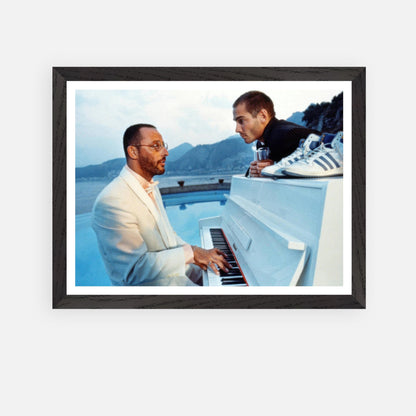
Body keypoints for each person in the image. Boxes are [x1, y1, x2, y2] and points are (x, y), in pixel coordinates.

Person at [92, 123, 231, 286]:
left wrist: (199, 261)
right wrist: (192, 253)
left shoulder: (151, 187)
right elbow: (134, 270)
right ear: (133, 152)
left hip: (176, 278)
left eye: (163, 146)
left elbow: (168, 238)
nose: (166, 152)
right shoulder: (112, 201)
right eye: (156, 146)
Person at [232, 91, 321, 177]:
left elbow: (330, 148)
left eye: (241, 121)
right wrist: (255, 170)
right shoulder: (262, 141)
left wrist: (276, 167)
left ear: (263, 116)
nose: (237, 129)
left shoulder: (287, 135)